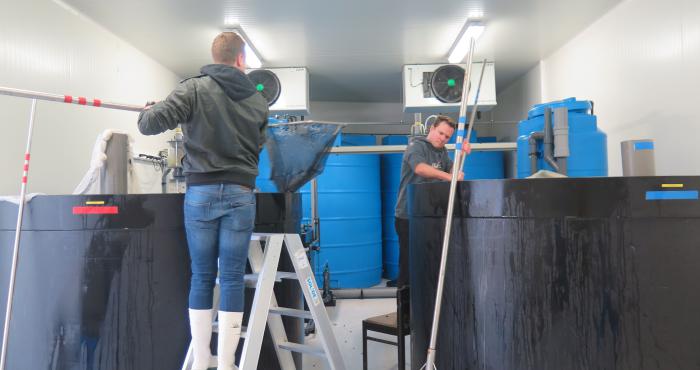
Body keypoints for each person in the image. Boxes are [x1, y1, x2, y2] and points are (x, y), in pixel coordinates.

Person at [137, 32, 268, 370]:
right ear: (241, 59)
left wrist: (149, 110)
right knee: (234, 277)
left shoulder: (193, 88)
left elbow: (149, 125)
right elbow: (260, 144)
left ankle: (202, 359)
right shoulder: (257, 100)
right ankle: (226, 363)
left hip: (202, 193)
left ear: (215, 56)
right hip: (241, 192)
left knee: (202, 276)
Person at [394, 115, 470, 289]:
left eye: (447, 137)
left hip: (429, 215)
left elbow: (452, 169)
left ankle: (425, 306)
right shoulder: (416, 146)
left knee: (429, 261)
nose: (442, 138)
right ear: (432, 129)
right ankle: (406, 311)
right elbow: (420, 168)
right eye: (441, 133)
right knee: (408, 264)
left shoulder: (441, 151)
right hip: (408, 215)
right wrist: (449, 177)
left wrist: (462, 155)